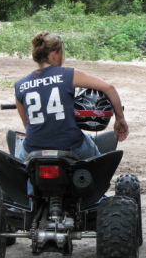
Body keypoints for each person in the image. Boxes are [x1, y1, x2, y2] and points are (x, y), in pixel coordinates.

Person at [15, 31, 129, 162]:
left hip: (33, 149)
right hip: (71, 146)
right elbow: (109, 88)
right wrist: (120, 118)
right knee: (97, 160)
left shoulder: (20, 84)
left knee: (20, 167)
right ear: (54, 54)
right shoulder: (69, 75)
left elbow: (27, 126)